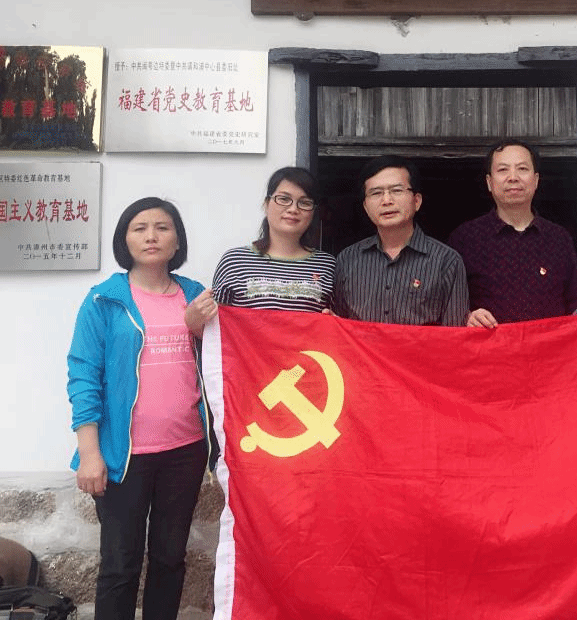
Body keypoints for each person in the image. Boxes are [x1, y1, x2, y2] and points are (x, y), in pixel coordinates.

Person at [66, 197, 219, 620]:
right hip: (123, 456)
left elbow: (226, 359)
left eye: (162, 227)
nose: (152, 236)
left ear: (177, 240)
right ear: (125, 239)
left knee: (170, 559)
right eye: (140, 228)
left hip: (185, 451)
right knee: (120, 564)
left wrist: (198, 329)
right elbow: (83, 375)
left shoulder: (196, 296)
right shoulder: (105, 300)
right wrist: (90, 452)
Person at [449, 140, 577, 327]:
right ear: (489, 182)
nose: (513, 177)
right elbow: (448, 307)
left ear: (536, 180)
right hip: (488, 345)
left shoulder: (559, 239)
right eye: (503, 170)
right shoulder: (464, 238)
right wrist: (467, 317)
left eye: (522, 169)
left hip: (548, 345)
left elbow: (574, 304)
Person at [335, 155, 469, 325]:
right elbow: (339, 329)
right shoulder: (347, 260)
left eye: (396, 190)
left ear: (416, 201)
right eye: (376, 193)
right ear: (366, 207)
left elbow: (455, 333)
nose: (386, 201)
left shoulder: (447, 261)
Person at [212, 167, 336, 312]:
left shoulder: (327, 265)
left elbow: (338, 320)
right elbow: (217, 322)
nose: (293, 209)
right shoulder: (234, 261)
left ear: (313, 211)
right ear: (266, 204)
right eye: (284, 199)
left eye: (305, 202)